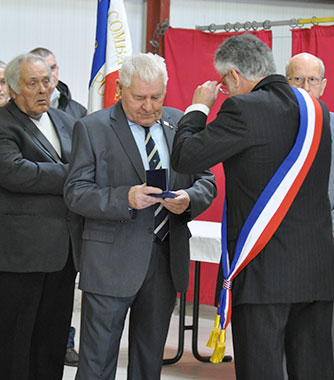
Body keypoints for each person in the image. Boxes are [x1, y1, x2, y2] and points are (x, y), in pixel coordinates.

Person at [171, 34, 334, 380]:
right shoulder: (316, 109)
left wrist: (199, 107)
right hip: (317, 271)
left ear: (232, 76)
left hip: (263, 273)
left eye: (226, 86)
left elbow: (185, 157)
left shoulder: (243, 108)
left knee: (261, 371)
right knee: (314, 371)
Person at [63, 52, 216, 380]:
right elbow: (75, 192)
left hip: (164, 262)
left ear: (166, 88)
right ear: (120, 88)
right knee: (97, 363)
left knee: (149, 364)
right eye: (139, 98)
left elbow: (206, 179)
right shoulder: (92, 128)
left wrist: (190, 198)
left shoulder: (179, 124)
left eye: (156, 97)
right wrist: (126, 197)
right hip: (109, 263)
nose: (148, 106)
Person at [0, 53, 82, 380]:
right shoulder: (3, 123)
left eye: (46, 81)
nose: (42, 90)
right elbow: (15, 173)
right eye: (32, 84)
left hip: (64, 254)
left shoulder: (66, 121)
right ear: (13, 89)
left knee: (52, 338)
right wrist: (71, 175)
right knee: (15, 340)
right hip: (20, 256)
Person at [30, 46, 87, 366]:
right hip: (24, 234)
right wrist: (73, 175)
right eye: (37, 78)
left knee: (54, 314)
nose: (47, 82)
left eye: (51, 72)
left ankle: (63, 343)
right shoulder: (11, 119)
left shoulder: (73, 112)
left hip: (63, 232)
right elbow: (16, 171)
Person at [286, 52, 334, 225]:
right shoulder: (269, 126)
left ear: (323, 85)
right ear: (286, 84)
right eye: (298, 79)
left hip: (326, 232)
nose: (306, 87)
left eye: (313, 80)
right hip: (279, 234)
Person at [30, 47, 87, 120]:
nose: (50, 74)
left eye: (52, 68)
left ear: (57, 69)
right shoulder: (18, 108)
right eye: (42, 69)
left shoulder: (78, 112)